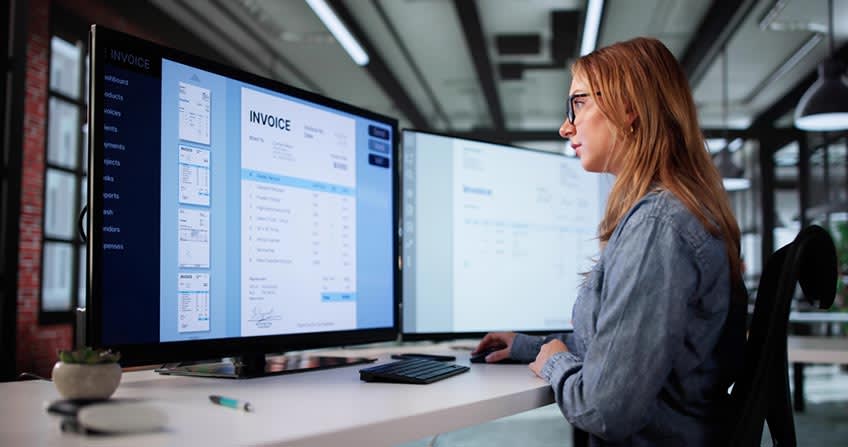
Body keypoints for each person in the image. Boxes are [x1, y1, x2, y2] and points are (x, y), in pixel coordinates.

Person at [474, 37, 746, 446]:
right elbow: (619, 349)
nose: (566, 126)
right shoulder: (669, 213)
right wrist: (532, 347)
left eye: (578, 103)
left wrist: (555, 365)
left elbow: (603, 409)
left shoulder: (658, 225)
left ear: (629, 107)